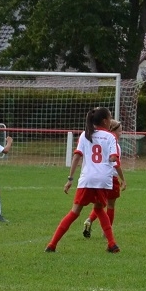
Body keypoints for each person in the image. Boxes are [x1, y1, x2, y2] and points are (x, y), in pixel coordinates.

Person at [45, 107, 120, 253]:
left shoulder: (85, 135)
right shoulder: (111, 136)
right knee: (99, 209)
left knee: (74, 212)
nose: (111, 120)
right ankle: (112, 244)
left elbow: (77, 157)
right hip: (103, 179)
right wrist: (110, 158)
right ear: (105, 121)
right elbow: (113, 157)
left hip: (87, 178)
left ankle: (52, 244)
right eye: (110, 118)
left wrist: (70, 179)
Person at [83, 119, 127, 238]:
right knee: (110, 205)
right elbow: (116, 164)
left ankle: (89, 220)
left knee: (100, 204)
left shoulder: (100, 141)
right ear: (112, 130)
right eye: (119, 131)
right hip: (111, 178)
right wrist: (123, 179)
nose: (121, 133)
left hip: (99, 177)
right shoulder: (114, 144)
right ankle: (106, 232)